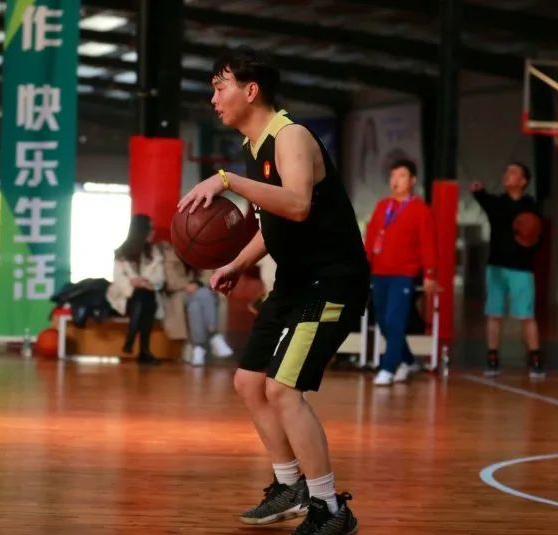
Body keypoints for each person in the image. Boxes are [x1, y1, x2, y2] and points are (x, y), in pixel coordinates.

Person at [178, 47, 368, 535]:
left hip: (332, 281)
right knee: (248, 381)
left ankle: (331, 509)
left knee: (282, 389)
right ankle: (290, 486)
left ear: (251, 90)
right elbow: (274, 224)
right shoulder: (254, 147)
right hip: (295, 281)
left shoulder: (290, 136)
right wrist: (235, 264)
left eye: (220, 87)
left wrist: (228, 181)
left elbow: (298, 204)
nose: (213, 98)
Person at [364, 160, 437, 386]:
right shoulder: (382, 206)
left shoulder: (420, 209)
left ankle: (388, 367)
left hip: (404, 274)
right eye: (393, 176)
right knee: (382, 321)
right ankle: (408, 360)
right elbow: (371, 237)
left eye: (401, 176)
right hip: (379, 272)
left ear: (413, 180)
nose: (395, 180)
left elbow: (428, 244)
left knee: (394, 320)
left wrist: (430, 273)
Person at [470, 163, 544, 378]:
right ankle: (492, 359)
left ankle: (536, 359)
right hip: (496, 266)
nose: (507, 175)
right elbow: (482, 197)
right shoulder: (497, 202)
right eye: (506, 171)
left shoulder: (531, 206)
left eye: (512, 172)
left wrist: (530, 242)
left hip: (522, 268)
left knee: (527, 315)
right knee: (494, 314)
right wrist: (477, 190)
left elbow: (538, 235)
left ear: (523, 181)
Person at [160, 242, 234, 366]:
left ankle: (198, 347)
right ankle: (214, 335)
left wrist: (197, 284)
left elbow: (209, 276)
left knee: (196, 305)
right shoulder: (171, 255)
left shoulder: (202, 252)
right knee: (203, 295)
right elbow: (171, 281)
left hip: (199, 292)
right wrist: (187, 285)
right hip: (180, 293)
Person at [106, 214, 165, 365]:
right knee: (141, 297)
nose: (153, 232)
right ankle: (144, 350)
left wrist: (146, 282)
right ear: (141, 230)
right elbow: (118, 278)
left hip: (148, 294)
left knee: (145, 297)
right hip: (125, 297)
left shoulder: (154, 252)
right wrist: (132, 282)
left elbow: (160, 278)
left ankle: (131, 338)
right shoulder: (122, 253)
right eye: (150, 228)